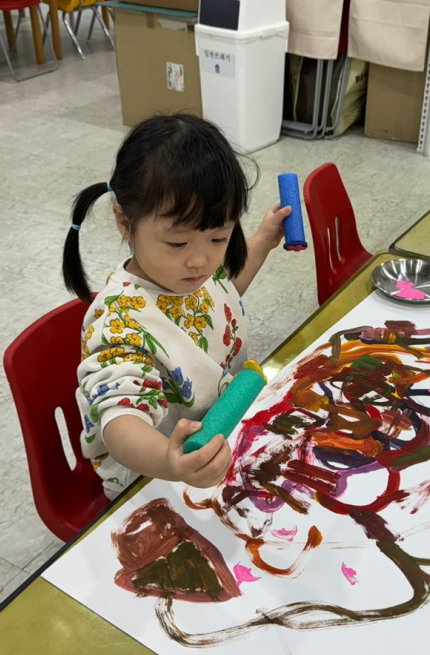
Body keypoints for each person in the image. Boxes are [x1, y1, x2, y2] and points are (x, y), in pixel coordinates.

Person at [62, 114, 291, 499]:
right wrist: (171, 461)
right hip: (156, 477)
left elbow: (223, 293)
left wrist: (265, 239)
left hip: (219, 438)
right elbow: (121, 420)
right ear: (124, 222)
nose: (200, 261)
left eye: (218, 237)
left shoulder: (188, 274)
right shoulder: (120, 322)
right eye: (177, 243)